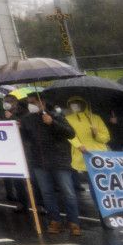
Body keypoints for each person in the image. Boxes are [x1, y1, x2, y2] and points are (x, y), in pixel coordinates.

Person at [20, 95, 80, 235]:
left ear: (43, 102)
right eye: (29, 103)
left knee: (68, 193)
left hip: (59, 161)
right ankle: (55, 221)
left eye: (34, 102)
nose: (31, 105)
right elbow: (26, 139)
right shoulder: (27, 119)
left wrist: (52, 122)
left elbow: (70, 133)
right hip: (39, 162)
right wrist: (19, 128)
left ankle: (74, 223)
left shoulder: (56, 116)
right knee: (47, 193)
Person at [64, 96, 110, 189]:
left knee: (104, 184)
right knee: (93, 184)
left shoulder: (96, 118)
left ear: (84, 104)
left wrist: (96, 134)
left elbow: (106, 138)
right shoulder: (67, 119)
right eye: (72, 103)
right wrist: (79, 145)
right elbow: (70, 135)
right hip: (83, 155)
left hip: (100, 155)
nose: (75, 105)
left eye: (77, 102)